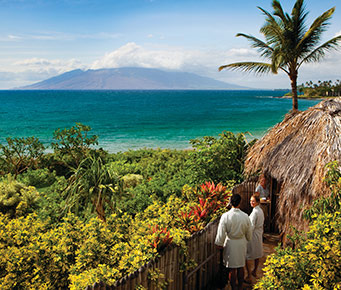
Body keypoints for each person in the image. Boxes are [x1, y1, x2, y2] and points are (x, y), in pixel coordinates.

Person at [215, 194, 252, 290]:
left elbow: (221, 231)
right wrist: (248, 238)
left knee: (232, 269)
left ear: (231, 203)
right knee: (241, 266)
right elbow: (249, 232)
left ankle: (233, 288)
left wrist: (219, 243)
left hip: (231, 244)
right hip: (241, 243)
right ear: (240, 203)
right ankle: (240, 287)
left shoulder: (226, 216)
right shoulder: (245, 216)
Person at [245, 195, 265, 283]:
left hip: (253, 235)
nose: (251, 202)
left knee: (246, 255)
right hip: (259, 233)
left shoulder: (255, 212)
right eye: (250, 201)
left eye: (253, 201)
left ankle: (249, 275)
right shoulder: (260, 211)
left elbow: (251, 226)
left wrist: (246, 235)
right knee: (257, 253)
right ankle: (255, 271)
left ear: (257, 202)